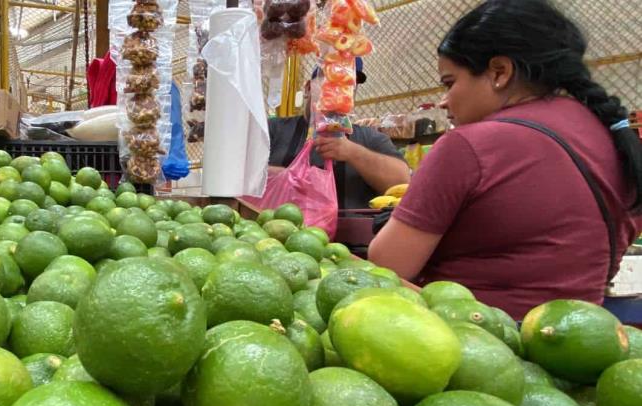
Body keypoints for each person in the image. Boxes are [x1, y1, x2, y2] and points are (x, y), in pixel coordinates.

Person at [368, 0, 642, 319]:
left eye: (450, 82)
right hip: (581, 343)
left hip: (479, 348)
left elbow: (388, 265)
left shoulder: (468, 146)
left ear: (499, 72)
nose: (444, 101)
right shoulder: (616, 140)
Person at [268, 58, 411, 209]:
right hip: (281, 228)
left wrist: (351, 152)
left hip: (350, 229)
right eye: (330, 81)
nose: (338, 91)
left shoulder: (370, 138)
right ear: (308, 88)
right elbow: (245, 174)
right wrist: (288, 178)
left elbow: (402, 184)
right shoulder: (274, 129)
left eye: (348, 85)